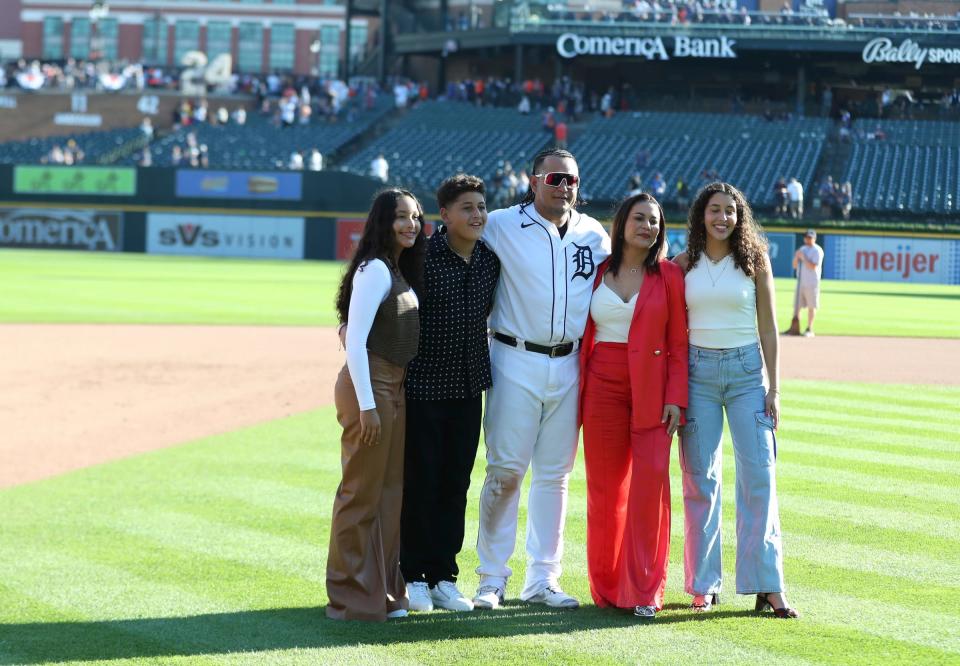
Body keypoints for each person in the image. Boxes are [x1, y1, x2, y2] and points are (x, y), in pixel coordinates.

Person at [474, 148, 610, 610]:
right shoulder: (500, 223)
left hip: (570, 364)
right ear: (533, 181)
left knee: (555, 475)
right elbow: (444, 244)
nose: (564, 186)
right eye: (554, 178)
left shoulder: (594, 234)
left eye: (571, 179)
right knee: (506, 472)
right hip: (514, 356)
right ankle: (491, 578)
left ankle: (543, 579)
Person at [674, 182, 798, 619]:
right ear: (700, 216)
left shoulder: (755, 261)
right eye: (714, 210)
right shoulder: (682, 263)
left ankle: (768, 586)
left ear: (740, 216)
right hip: (697, 376)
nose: (722, 217)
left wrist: (775, 389)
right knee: (700, 480)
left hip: (748, 375)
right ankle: (704, 585)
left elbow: (769, 330)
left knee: (760, 478)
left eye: (730, 210)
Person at [579, 193, 687, 619]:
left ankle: (643, 591)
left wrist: (676, 397)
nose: (647, 227)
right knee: (605, 493)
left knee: (649, 490)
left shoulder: (668, 276)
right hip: (601, 386)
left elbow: (679, 343)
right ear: (622, 223)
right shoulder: (596, 272)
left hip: (653, 391)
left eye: (655, 221)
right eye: (639, 218)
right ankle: (606, 587)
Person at [401, 175, 501, 613]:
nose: (476, 214)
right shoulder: (419, 257)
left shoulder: (488, 260)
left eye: (480, 206)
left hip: (467, 388)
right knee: (420, 483)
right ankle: (412, 576)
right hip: (423, 388)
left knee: (455, 485)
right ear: (444, 214)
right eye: (467, 207)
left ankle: (444, 575)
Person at [327, 189, 426, 622]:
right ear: (382, 222)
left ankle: (385, 591)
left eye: (416, 217)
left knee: (388, 495)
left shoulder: (394, 269)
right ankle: (348, 596)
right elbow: (357, 343)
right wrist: (367, 405)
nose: (410, 224)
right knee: (360, 494)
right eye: (401, 217)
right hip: (371, 390)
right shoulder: (374, 270)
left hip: (392, 389)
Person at [792, 229, 824, 337]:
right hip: (801, 282)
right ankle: (795, 328)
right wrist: (796, 257)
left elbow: (813, 266)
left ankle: (809, 328)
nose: (808, 239)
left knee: (812, 306)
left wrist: (803, 257)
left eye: (810, 237)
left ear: (814, 238)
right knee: (797, 306)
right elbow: (794, 265)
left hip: (812, 282)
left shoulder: (817, 250)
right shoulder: (802, 248)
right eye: (806, 237)